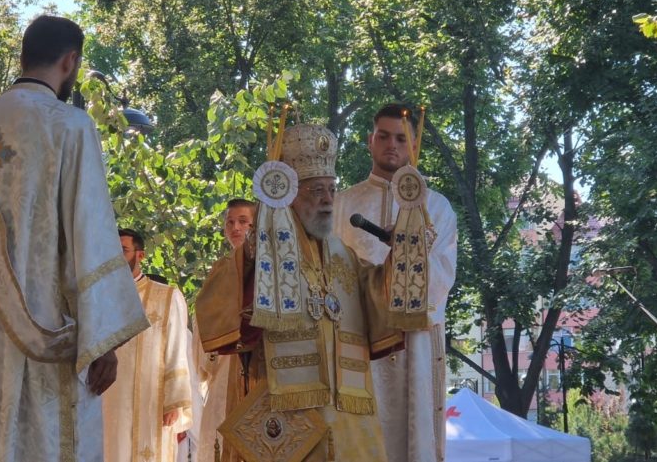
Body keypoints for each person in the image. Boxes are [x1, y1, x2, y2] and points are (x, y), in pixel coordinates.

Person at [0, 15, 150, 462]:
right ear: (71, 61)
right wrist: (104, 341)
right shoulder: (70, 127)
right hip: (45, 343)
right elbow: (91, 232)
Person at [196, 124, 405, 461]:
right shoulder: (264, 249)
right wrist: (249, 256)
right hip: (285, 409)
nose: (327, 200)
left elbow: (376, 303)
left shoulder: (342, 252)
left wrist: (401, 258)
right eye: (316, 190)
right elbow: (218, 309)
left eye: (332, 190)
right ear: (291, 194)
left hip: (345, 409)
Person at [334, 104, 458, 462]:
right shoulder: (344, 205)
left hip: (413, 345)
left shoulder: (437, 208)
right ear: (371, 141)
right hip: (357, 342)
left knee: (412, 437)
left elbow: (443, 275)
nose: (392, 145)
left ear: (414, 146)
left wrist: (407, 254)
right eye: (384, 136)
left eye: (402, 138)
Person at [105, 229, 194, 462]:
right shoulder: (100, 297)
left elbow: (177, 349)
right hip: (107, 397)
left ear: (140, 255)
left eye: (123, 250)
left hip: (151, 398)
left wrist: (174, 399)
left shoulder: (166, 297)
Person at [189, 198, 258, 462]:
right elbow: (203, 321)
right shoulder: (220, 269)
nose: (235, 228)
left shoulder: (270, 268)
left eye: (243, 221)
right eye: (230, 222)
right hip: (224, 370)